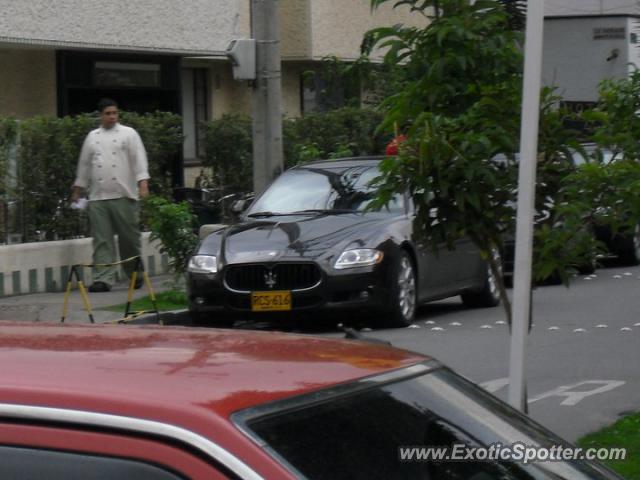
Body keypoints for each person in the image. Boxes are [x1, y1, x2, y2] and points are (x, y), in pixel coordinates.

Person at [71, 98, 150, 292]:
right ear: (100, 115)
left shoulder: (129, 134)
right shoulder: (92, 137)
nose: (112, 117)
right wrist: (78, 190)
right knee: (101, 240)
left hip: (124, 194)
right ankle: (102, 278)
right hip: (98, 197)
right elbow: (84, 165)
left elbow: (139, 159)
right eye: (108, 113)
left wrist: (143, 184)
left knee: (129, 239)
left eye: (115, 113)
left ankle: (134, 273)